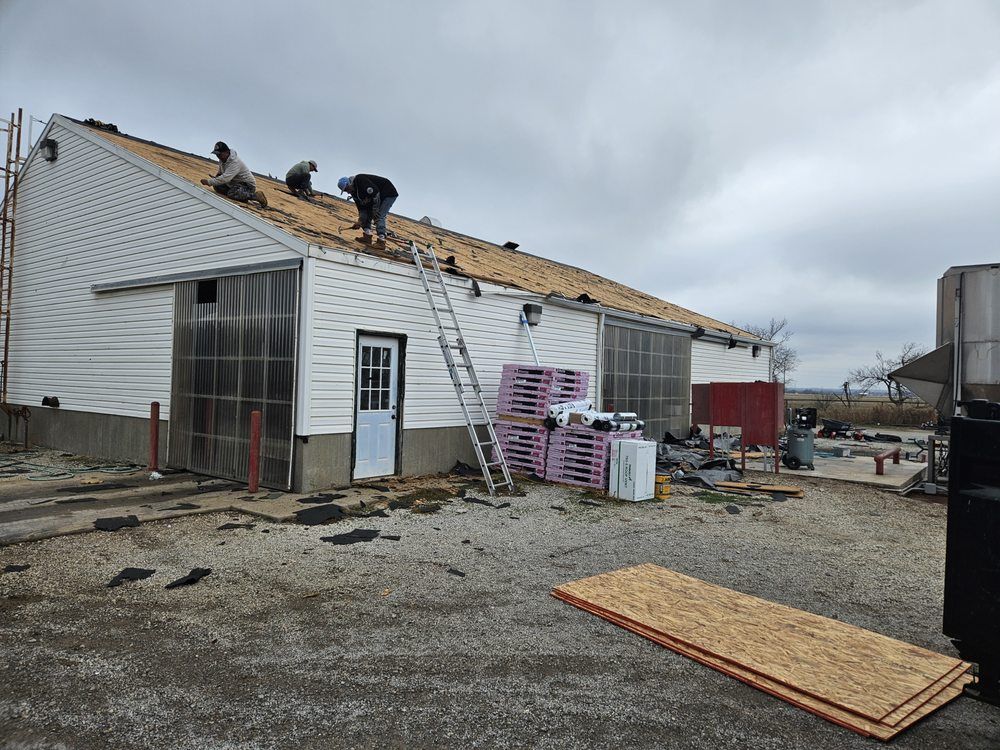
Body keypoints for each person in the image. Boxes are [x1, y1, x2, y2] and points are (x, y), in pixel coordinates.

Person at [337, 174, 398, 249]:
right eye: (345, 190)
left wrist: (375, 210)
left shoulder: (360, 180)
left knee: (379, 215)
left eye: (347, 189)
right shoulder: (355, 194)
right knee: (366, 215)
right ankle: (367, 236)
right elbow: (362, 209)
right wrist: (360, 221)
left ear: (350, 183)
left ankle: (381, 241)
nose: (348, 192)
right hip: (374, 197)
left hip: (387, 193)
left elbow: (375, 194)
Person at [200, 141, 268, 207]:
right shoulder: (223, 159)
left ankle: (255, 196)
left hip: (246, 186)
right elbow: (221, 172)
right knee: (217, 186)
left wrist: (209, 182)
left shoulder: (234, 162)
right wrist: (217, 177)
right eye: (217, 154)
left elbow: (225, 178)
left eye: (219, 154)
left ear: (226, 152)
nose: (218, 156)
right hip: (234, 183)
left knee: (232, 193)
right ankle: (241, 197)